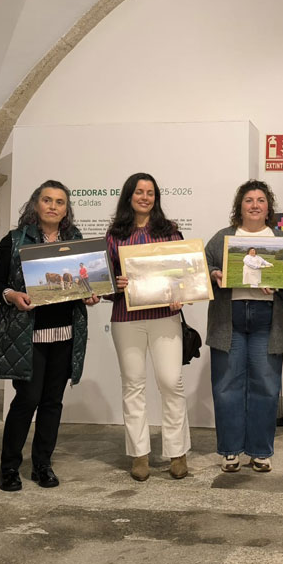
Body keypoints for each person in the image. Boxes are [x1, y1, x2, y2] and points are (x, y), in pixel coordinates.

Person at [0, 180, 99, 491]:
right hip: (27, 335)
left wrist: (90, 295)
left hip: (65, 334)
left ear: (66, 210)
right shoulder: (15, 239)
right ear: (36, 204)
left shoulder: (76, 241)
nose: (53, 206)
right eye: (47, 200)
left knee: (52, 401)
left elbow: (86, 284)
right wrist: (11, 295)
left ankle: (42, 465)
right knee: (27, 399)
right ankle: (9, 467)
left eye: (60, 202)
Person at [205, 180, 283, 472]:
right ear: (240, 206)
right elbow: (203, 267)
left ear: (268, 207)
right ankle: (230, 450)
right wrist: (215, 273)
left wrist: (278, 286)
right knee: (226, 385)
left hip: (267, 320)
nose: (255, 205)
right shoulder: (223, 237)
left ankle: (260, 450)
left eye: (260, 200)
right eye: (248, 200)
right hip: (228, 319)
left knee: (266, 386)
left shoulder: (280, 239)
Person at [106, 173, 191, 481]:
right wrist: (115, 285)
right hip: (126, 318)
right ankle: (139, 454)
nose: (145, 197)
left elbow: (184, 275)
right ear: (129, 196)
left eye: (150, 192)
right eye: (139, 192)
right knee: (133, 386)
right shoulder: (114, 235)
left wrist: (181, 296)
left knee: (171, 383)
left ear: (156, 197)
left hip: (164, 317)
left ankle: (177, 451)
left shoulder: (170, 231)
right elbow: (104, 281)